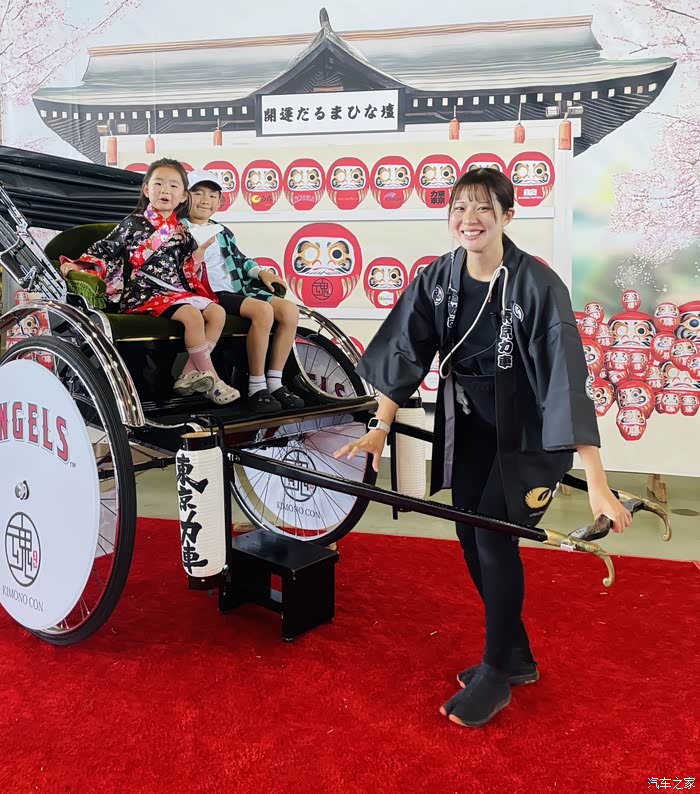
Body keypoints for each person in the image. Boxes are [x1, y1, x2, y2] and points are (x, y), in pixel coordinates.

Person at [334, 167, 632, 729]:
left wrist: (597, 482)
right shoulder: (439, 276)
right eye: (459, 208)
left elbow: (565, 382)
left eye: (483, 209)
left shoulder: (537, 285)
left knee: (494, 537)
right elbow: (406, 349)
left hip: (530, 429)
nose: (469, 219)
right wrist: (380, 424)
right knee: (470, 532)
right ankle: (515, 656)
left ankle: (496, 673)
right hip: (473, 421)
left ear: (507, 216)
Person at [59, 158, 239, 405]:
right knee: (192, 315)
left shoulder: (182, 231)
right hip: (144, 291)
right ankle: (214, 382)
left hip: (174, 291)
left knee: (217, 312)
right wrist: (79, 265)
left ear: (183, 196)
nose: (166, 190)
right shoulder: (132, 223)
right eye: (159, 184)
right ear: (146, 189)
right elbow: (107, 249)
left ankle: (189, 373)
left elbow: (187, 267)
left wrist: (199, 253)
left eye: (174, 186)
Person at [186, 169, 304, 414]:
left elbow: (240, 260)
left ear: (219, 202)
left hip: (236, 287)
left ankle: (275, 382)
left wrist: (260, 272)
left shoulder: (222, 231)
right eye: (198, 193)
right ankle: (256, 386)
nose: (205, 200)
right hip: (208, 292)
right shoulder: (178, 230)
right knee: (262, 311)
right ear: (185, 197)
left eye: (212, 195)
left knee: (289, 311)